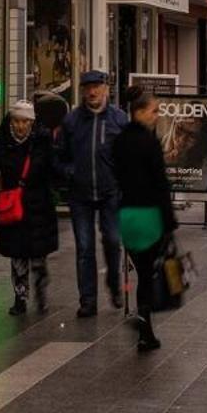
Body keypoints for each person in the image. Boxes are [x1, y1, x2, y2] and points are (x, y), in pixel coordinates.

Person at [112, 87, 179, 353]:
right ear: (139, 112)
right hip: (149, 215)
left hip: (128, 215)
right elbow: (160, 183)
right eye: (154, 111)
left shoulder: (119, 141)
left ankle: (143, 325)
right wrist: (169, 220)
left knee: (140, 270)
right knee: (149, 275)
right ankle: (145, 326)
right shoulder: (149, 142)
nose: (157, 115)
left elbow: (116, 174)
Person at [56, 69, 126, 317]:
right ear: (83, 90)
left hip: (110, 193)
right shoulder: (72, 121)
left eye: (97, 87)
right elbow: (59, 156)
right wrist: (69, 171)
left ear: (106, 89)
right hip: (80, 194)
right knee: (84, 247)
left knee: (113, 241)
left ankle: (115, 284)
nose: (93, 92)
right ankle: (87, 300)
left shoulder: (119, 120)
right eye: (88, 88)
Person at [0, 102, 58, 314]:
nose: (20, 126)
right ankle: (20, 296)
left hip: (38, 205)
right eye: (16, 121)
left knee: (38, 256)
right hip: (13, 205)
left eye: (24, 121)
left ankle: (41, 290)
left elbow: (53, 167)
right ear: (11, 121)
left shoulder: (42, 141)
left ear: (32, 122)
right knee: (17, 256)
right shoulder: (2, 141)